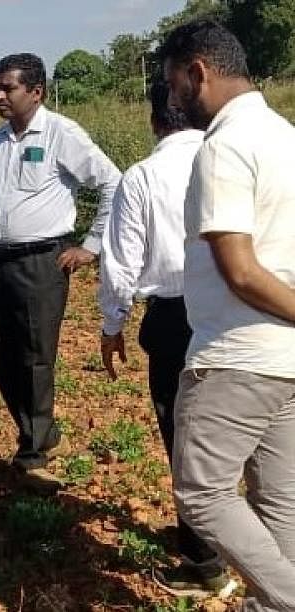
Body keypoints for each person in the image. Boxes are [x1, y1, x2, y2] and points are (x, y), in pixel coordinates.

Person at [158, 20, 295, 612]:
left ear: (199, 72)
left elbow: (240, 270)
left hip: (237, 355)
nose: (172, 100)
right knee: (281, 503)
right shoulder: (285, 136)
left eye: (173, 85)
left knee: (202, 493)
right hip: (285, 359)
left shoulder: (225, 146)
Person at [0, 53, 121, 492]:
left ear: (36, 92)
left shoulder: (61, 134)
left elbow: (112, 182)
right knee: (0, 354)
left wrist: (91, 246)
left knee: (34, 357)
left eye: (8, 88)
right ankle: (42, 432)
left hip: (41, 263)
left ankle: (33, 455)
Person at [96, 80, 235, 598]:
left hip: (177, 321)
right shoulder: (233, 159)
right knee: (240, 435)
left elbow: (122, 265)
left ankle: (205, 564)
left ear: (156, 121)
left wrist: (112, 326)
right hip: (244, 309)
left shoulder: (143, 177)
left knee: (186, 441)